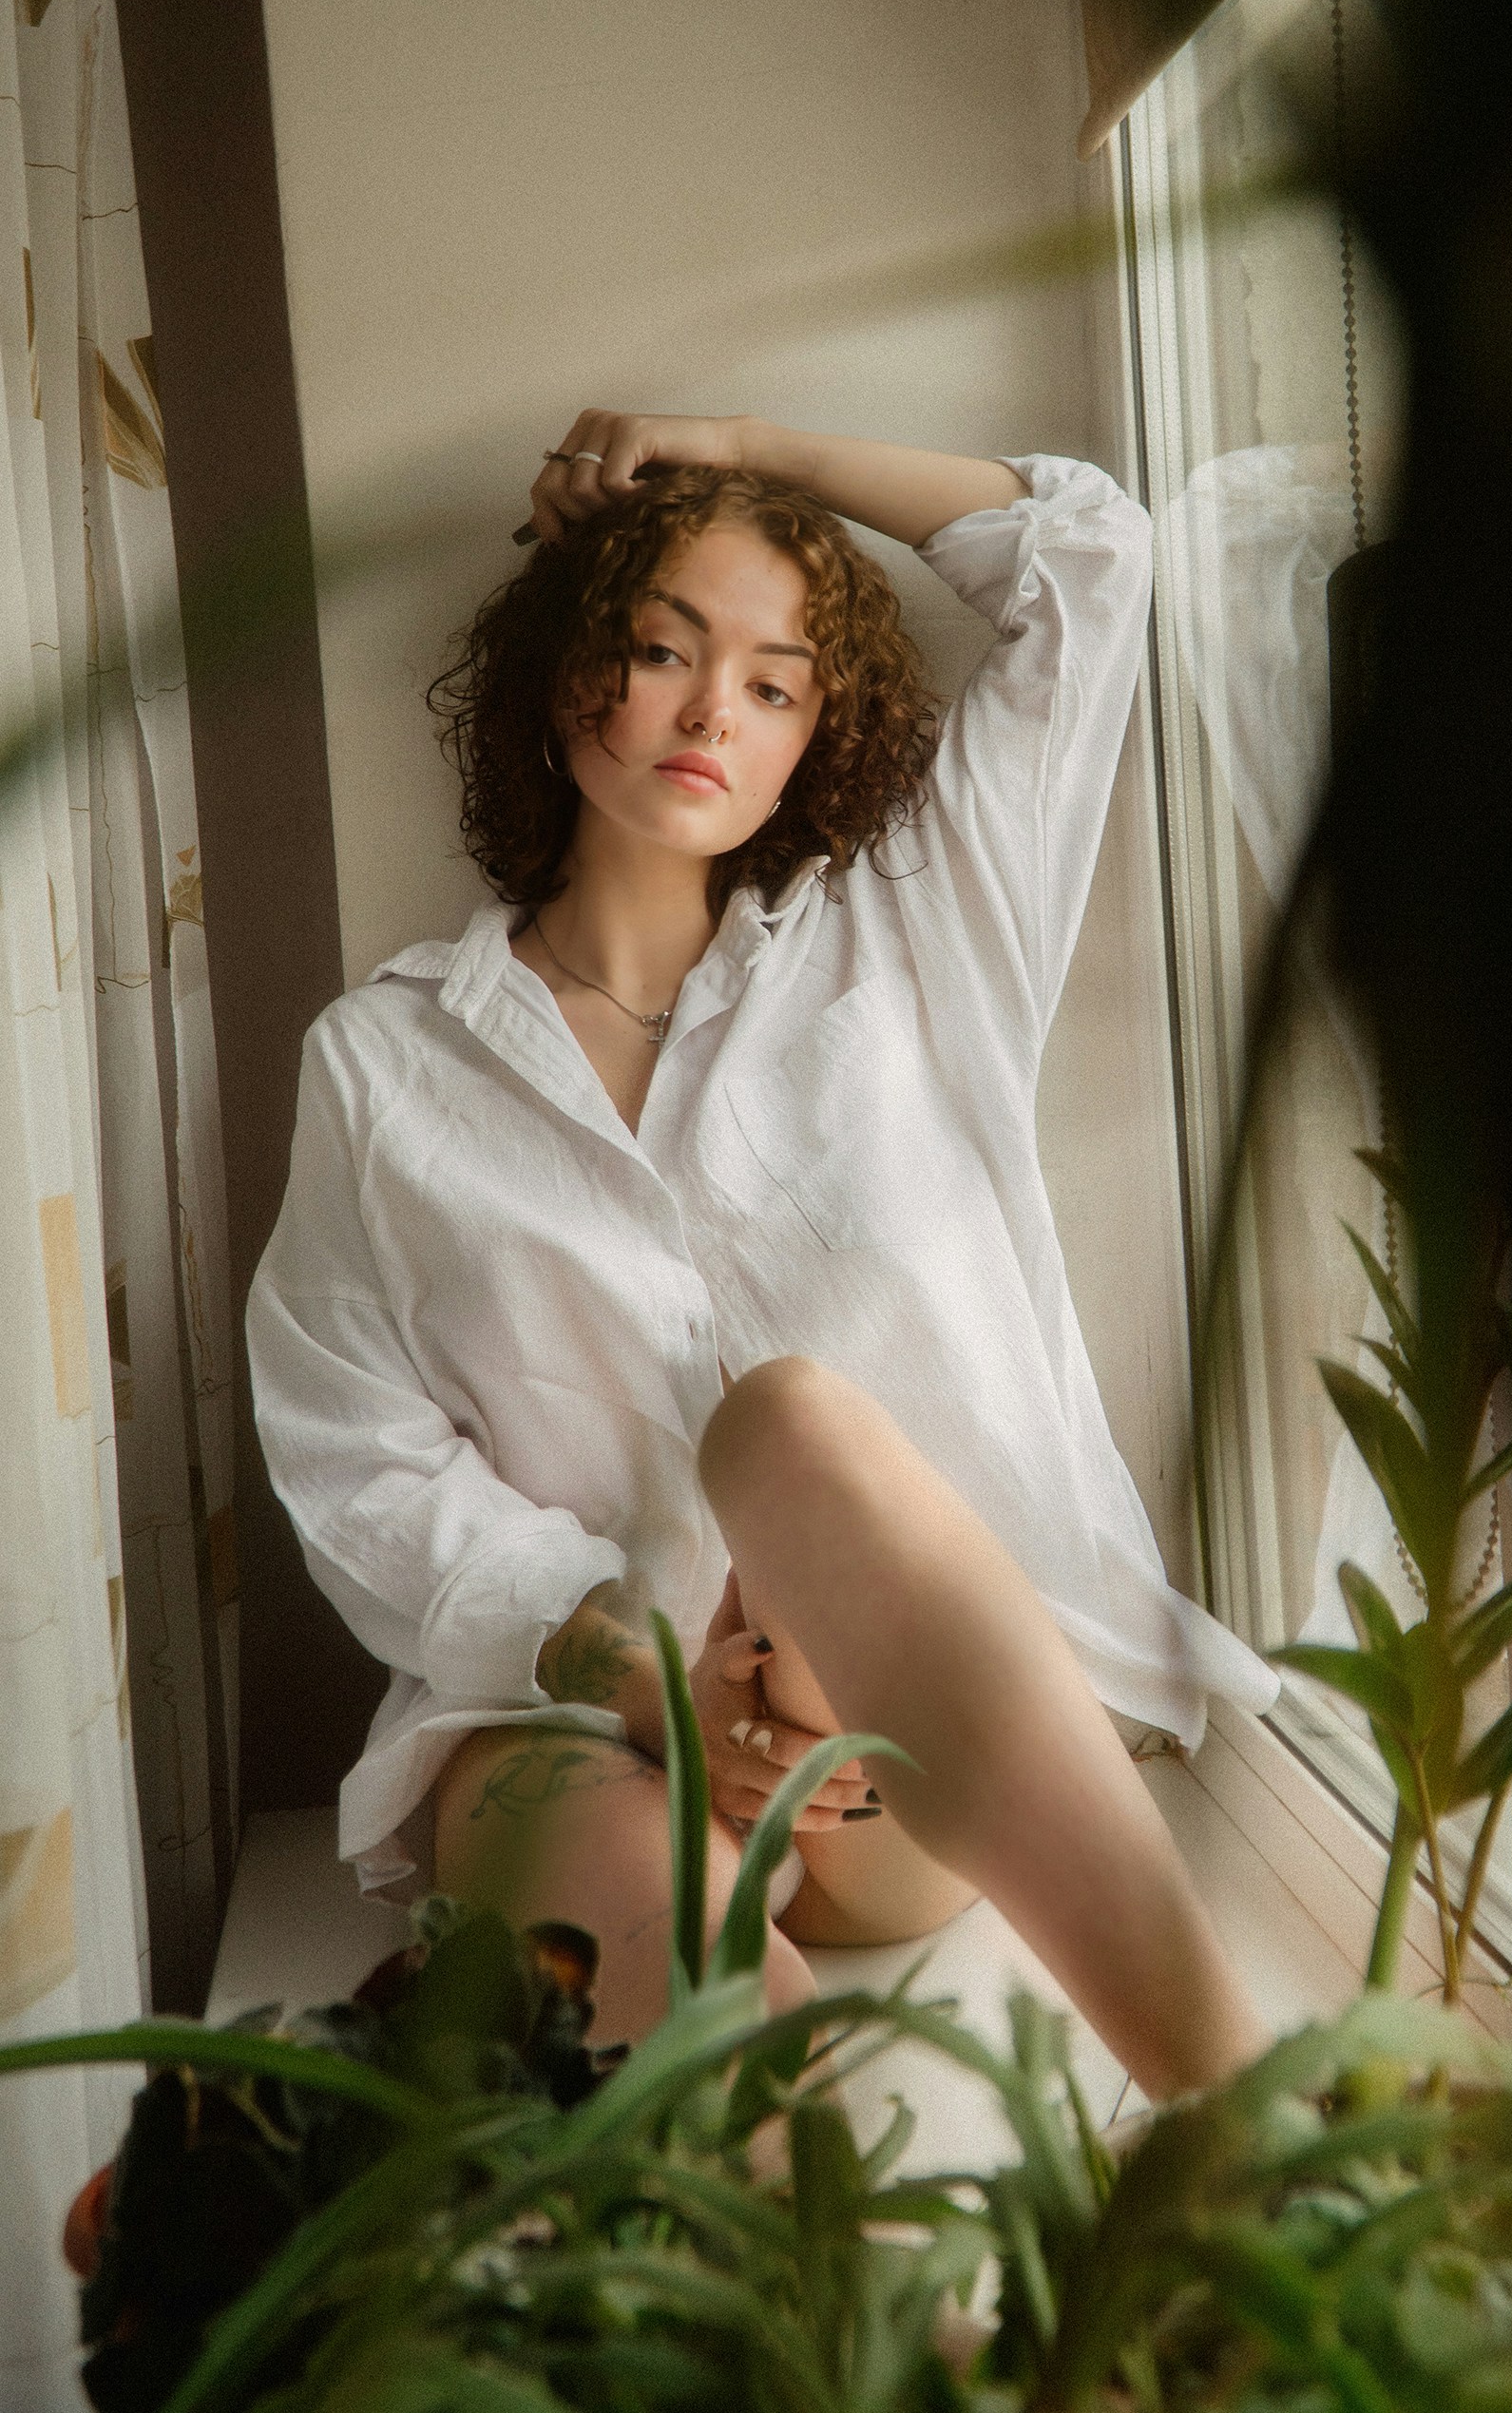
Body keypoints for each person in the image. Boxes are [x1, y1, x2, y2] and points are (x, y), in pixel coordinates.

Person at [247, 415, 1278, 2100]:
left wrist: (728, 446)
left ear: (820, 735)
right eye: (661, 649)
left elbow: (1091, 555)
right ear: (566, 669)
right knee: (670, 1938)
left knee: (791, 1421)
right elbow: (358, 1457)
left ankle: (1251, 2127)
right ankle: (881, 2319)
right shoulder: (383, 1063)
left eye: (777, 683)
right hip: (568, 1715)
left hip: (893, 1747)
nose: (714, 710)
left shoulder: (922, 931)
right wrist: (643, 1675)